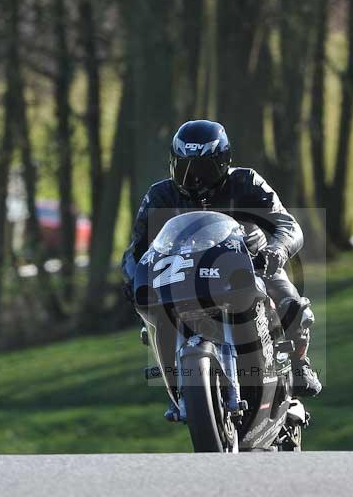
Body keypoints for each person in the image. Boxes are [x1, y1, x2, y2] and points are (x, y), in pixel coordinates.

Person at [122, 119, 322, 398]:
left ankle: (299, 365)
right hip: (186, 272)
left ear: (223, 161)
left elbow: (288, 225)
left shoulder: (247, 182)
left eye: (202, 168)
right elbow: (135, 250)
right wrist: (133, 279)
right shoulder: (160, 195)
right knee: (156, 316)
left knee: (291, 305)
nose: (193, 178)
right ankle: (179, 386)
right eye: (184, 166)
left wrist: (276, 250)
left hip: (252, 263)